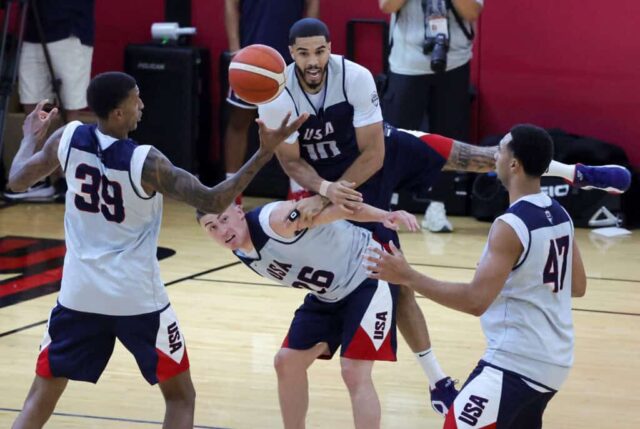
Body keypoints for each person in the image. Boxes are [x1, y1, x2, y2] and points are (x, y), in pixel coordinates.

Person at [257, 17, 629, 417]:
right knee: (395, 282)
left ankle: (576, 173)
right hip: (340, 186)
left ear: (330, 47)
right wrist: (327, 191)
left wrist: (334, 189)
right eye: (304, 53)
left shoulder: (354, 77)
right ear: (291, 53)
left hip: (379, 155)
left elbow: (374, 154)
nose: (313, 61)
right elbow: (291, 163)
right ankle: (438, 382)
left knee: (483, 157)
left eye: (320, 51)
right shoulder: (276, 92)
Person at [7, 72, 307, 429]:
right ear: (118, 113)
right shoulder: (146, 162)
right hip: (136, 298)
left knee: (41, 396)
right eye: (136, 100)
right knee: (180, 398)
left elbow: (17, 179)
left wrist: (28, 137)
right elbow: (213, 199)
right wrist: (263, 153)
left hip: (78, 294)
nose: (142, 105)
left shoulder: (66, 137)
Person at [366, 124, 587, 429]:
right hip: (555, 363)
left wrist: (408, 276)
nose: (494, 156)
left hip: (515, 363)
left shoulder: (510, 225)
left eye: (501, 150)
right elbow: (577, 287)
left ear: (514, 164)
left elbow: (474, 302)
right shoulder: (561, 213)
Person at [197, 198, 420, 429]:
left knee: (353, 371)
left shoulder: (275, 221)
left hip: (370, 273)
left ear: (239, 211)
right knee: (286, 362)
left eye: (224, 220)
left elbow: (336, 209)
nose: (222, 231)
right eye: (212, 227)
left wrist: (383, 215)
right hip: (330, 294)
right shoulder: (241, 249)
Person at [379, 0, 483, 232]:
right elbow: (386, 5)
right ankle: (382, 203)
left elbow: (472, 11)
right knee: (394, 138)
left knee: (447, 137)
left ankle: (438, 206)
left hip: (453, 61)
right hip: (407, 61)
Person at [223, 0, 319, 201]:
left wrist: (308, 49)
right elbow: (231, 5)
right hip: (250, 58)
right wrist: (235, 50)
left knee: (294, 124)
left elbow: (312, 6)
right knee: (239, 119)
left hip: (290, 58)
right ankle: (232, 192)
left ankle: (298, 189)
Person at [4, 0, 96, 202]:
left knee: (68, 107)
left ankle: (64, 178)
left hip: (68, 27)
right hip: (32, 30)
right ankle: (38, 178)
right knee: (34, 103)